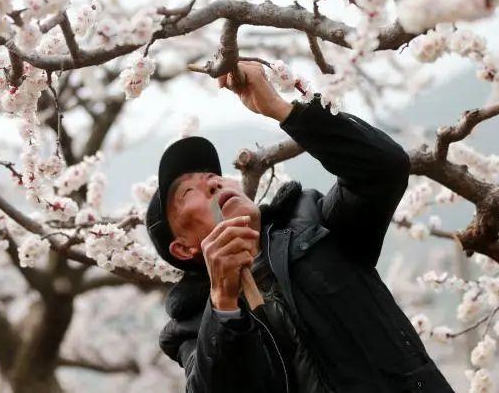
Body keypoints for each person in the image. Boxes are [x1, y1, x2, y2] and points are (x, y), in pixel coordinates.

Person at [146, 61, 454, 392]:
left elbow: (384, 168)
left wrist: (283, 110)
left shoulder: (311, 221)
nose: (213, 183)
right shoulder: (194, 329)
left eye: (213, 176)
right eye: (188, 190)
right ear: (184, 247)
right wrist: (223, 302)